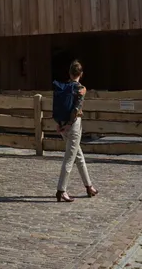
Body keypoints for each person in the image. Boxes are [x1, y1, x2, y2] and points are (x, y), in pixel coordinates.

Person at [54, 60, 98, 202]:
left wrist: (60, 124)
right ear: (81, 74)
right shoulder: (80, 88)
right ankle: (61, 190)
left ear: (69, 73)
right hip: (73, 125)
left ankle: (89, 186)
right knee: (69, 158)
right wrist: (69, 124)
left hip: (62, 124)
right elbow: (76, 109)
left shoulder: (63, 87)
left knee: (78, 155)